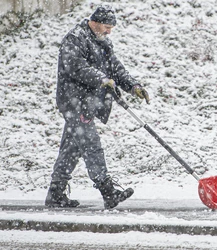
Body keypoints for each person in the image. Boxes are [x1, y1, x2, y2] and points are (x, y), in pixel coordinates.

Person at [45, 5, 150, 209]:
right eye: (107, 26)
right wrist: (101, 79)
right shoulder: (75, 38)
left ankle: (55, 194)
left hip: (87, 103)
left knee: (71, 149)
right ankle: (108, 191)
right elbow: (75, 66)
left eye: (111, 27)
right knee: (92, 145)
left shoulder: (102, 42)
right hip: (75, 102)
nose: (109, 31)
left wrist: (133, 86)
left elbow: (115, 68)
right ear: (95, 22)